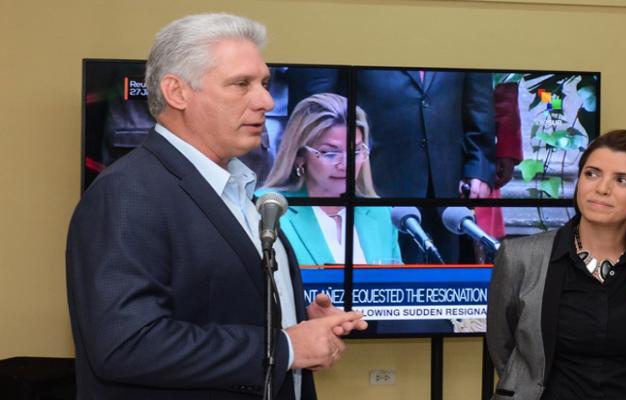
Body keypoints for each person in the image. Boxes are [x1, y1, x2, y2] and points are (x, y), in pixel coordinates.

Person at [66, 13, 366, 400]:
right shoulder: (127, 193)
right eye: (241, 84)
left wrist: (295, 319)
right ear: (177, 92)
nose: (266, 101)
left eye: (264, 83)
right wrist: (286, 347)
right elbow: (126, 344)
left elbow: (208, 301)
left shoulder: (240, 188)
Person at [487, 130, 626, 400]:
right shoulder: (520, 257)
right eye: (592, 173)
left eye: (622, 180)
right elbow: (505, 349)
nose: (602, 188)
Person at [288, 69, 496, 264]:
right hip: (368, 183)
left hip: (444, 187)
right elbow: (314, 108)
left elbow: (477, 93)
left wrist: (479, 163)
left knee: (439, 286)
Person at [262, 93, 401, 266]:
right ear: (299, 155)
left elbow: (397, 289)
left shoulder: (380, 213)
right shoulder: (269, 210)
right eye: (330, 153)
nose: (345, 165)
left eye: (355, 151)